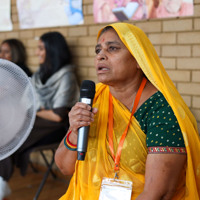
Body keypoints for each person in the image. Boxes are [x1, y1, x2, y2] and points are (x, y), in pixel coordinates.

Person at [55, 22, 200, 200]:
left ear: (139, 59)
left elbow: (159, 194)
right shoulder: (95, 99)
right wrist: (76, 131)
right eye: (98, 50)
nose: (101, 56)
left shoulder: (161, 110)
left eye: (112, 48)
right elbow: (64, 167)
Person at [0, 31, 79, 199]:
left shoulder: (66, 76)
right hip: (38, 121)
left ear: (53, 51)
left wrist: (31, 113)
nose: (36, 53)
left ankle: (1, 182)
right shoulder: (38, 76)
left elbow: (58, 115)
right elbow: (24, 105)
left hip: (57, 127)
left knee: (12, 134)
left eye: (41, 48)